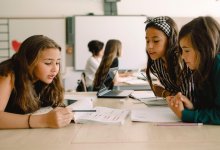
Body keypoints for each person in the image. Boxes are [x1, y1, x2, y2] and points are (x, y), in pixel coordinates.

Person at [0, 35, 73, 129]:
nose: (55, 69)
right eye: (48, 63)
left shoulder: (43, 79)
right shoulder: (8, 73)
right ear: (29, 61)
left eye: (57, 63)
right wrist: (44, 120)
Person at [166, 16, 220, 124]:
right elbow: (211, 107)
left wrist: (185, 115)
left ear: (204, 48)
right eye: (181, 50)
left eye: (186, 50)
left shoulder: (218, 66)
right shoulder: (202, 68)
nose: (182, 56)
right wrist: (192, 107)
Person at [145, 16, 191, 99]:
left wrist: (163, 93)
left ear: (170, 40)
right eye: (147, 41)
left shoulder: (181, 60)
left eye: (156, 41)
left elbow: (187, 99)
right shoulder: (157, 61)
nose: (149, 46)